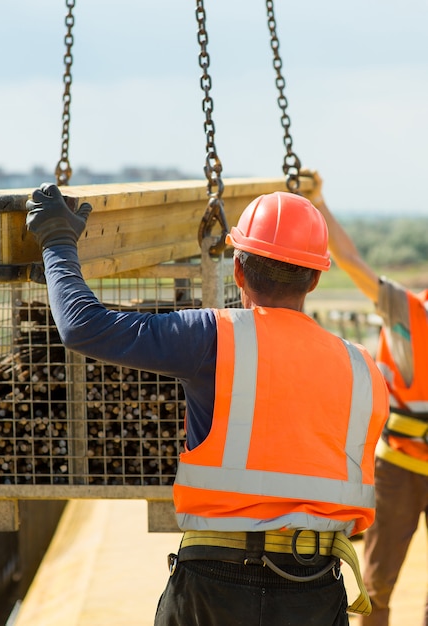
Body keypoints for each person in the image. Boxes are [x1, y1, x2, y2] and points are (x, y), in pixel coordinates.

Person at [25, 183, 389, 625]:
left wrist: (57, 240)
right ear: (314, 278)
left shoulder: (214, 338)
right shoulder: (364, 370)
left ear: (238, 271)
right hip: (313, 588)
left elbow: (83, 327)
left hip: (214, 587)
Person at [312, 173, 428, 626]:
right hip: (399, 467)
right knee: (377, 587)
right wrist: (319, 204)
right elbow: (350, 260)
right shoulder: (405, 310)